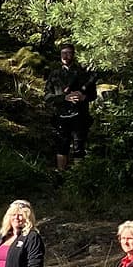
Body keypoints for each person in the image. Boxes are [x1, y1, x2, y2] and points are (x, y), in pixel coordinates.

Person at [46, 43, 99, 171]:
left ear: (73, 55)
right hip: (61, 116)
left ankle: (78, 178)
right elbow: (47, 97)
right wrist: (64, 98)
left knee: (79, 147)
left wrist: (83, 97)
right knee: (61, 146)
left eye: (68, 53)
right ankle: (61, 174)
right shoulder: (54, 75)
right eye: (63, 53)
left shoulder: (84, 74)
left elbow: (93, 95)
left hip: (80, 116)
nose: (65, 56)